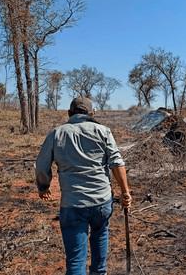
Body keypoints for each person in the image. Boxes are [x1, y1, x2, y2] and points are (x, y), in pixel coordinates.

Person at [35, 96, 132, 275]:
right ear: (92, 114)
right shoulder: (103, 131)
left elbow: (41, 166)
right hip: (102, 203)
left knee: (75, 262)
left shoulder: (57, 133)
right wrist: (125, 192)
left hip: (73, 205)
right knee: (99, 258)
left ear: (69, 113)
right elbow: (117, 163)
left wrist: (44, 186)